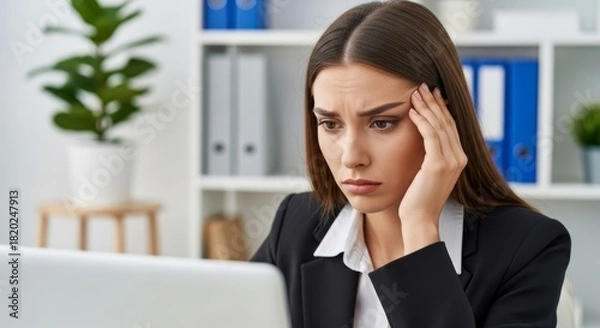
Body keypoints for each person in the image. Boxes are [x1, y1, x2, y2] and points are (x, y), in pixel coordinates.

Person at [251, 1, 571, 327]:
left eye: (382, 123)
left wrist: (419, 228)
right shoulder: (295, 225)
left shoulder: (528, 248)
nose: (351, 157)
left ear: (441, 120)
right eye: (331, 124)